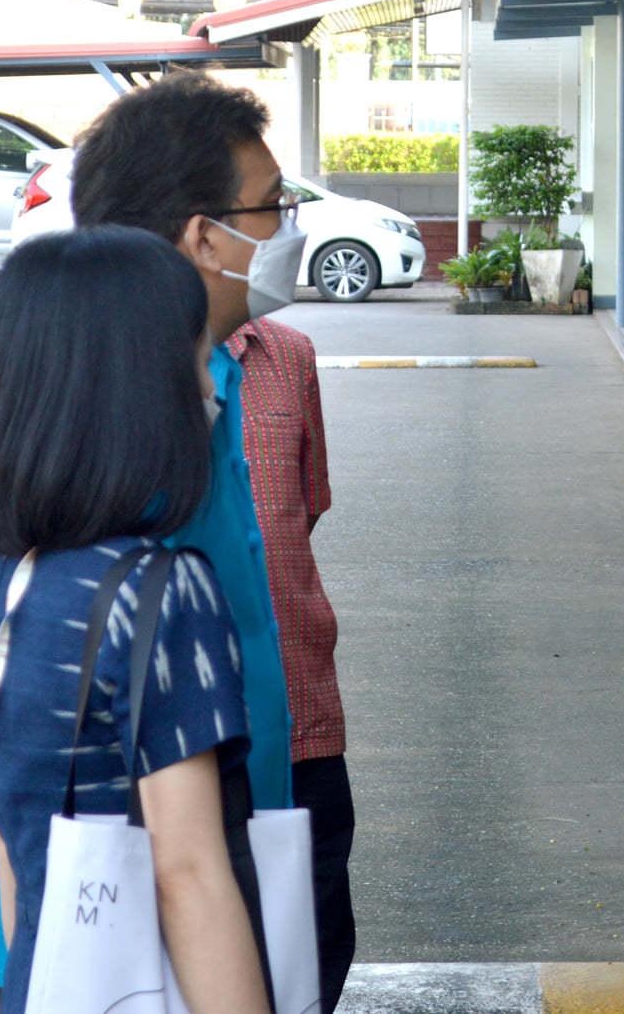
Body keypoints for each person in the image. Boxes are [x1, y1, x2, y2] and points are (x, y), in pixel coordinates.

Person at [0, 75, 309, 1007]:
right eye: (272, 207)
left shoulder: (16, 543)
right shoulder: (162, 581)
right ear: (204, 234)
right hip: (158, 918)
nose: (287, 227)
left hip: (58, 945)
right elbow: (189, 871)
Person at [0, 227, 270, 1014]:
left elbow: (8, 844)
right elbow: (187, 876)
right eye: (195, 362)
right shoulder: (159, 594)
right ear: (137, 397)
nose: (211, 390)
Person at [226, 316, 355, 1010]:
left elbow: (305, 505)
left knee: (316, 920)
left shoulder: (287, 354)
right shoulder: (119, 352)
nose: (282, 231)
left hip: (298, 700)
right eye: (269, 208)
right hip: (182, 729)